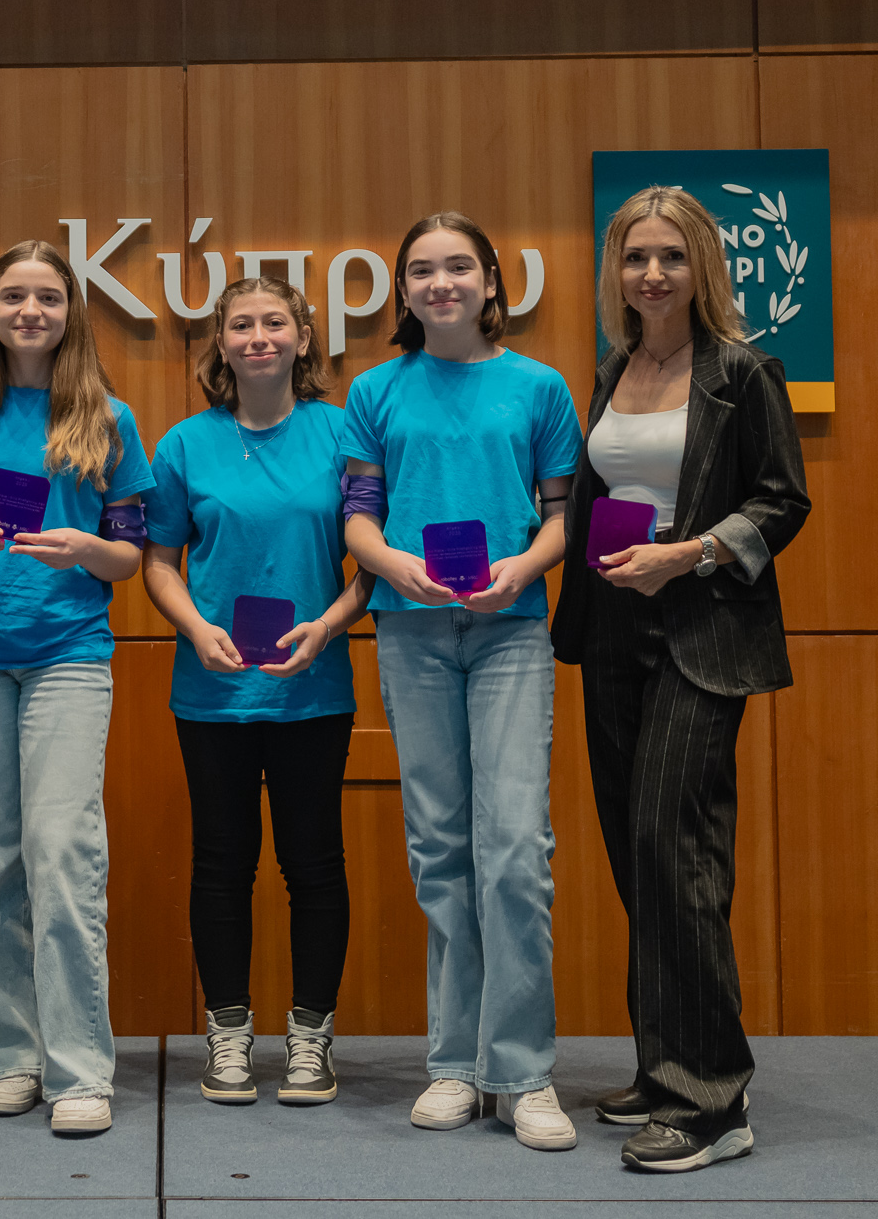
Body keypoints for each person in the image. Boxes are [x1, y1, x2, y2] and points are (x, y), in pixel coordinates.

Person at [550, 185, 809, 1174]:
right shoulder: (613, 368)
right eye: (633, 257)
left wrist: (690, 553)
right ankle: (664, 1066)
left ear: (700, 263)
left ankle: (712, 1099)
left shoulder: (741, 372)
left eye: (668, 255)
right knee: (635, 854)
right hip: (613, 628)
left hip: (700, 629)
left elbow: (781, 501)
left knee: (675, 848)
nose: (651, 273)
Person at [340, 211, 582, 1151]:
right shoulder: (376, 389)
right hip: (411, 633)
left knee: (514, 848)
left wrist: (525, 568)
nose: (440, 283)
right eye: (422, 270)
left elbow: (561, 516)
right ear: (403, 290)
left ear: (490, 280)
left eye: (458, 267)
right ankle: (454, 1063)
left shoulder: (540, 386)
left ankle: (521, 1073)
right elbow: (358, 518)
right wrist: (391, 564)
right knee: (440, 846)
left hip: (510, 631)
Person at [0, 241, 154, 1137]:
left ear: (70, 312)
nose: (30, 311)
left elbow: (128, 556)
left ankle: (80, 1067)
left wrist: (90, 549)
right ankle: (9, 1056)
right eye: (13, 295)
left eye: (47, 297)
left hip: (68, 655)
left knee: (61, 851)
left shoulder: (109, 418)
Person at [142, 278, 374, 1108]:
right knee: (221, 863)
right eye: (241, 324)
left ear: (304, 337)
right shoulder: (183, 444)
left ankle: (310, 1039)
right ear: (222, 343)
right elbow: (159, 562)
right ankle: (230, 1035)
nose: (259, 336)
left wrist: (330, 625)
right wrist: (194, 627)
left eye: (276, 322)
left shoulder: (342, 432)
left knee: (314, 864)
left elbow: (372, 562)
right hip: (214, 690)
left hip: (314, 688)